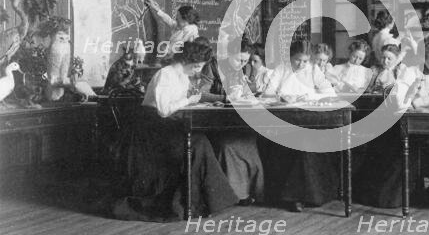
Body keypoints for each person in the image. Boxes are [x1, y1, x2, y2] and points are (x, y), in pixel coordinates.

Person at [112, 42, 237, 221]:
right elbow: (164, 110)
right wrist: (188, 100)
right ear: (191, 62)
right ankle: (194, 203)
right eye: (198, 67)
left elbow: (178, 103)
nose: (198, 71)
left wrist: (193, 101)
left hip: (163, 126)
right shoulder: (166, 74)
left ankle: (198, 202)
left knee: (200, 140)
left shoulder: (183, 76)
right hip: (148, 131)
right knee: (198, 143)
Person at [354, 36, 429, 208]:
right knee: (411, 147)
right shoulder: (410, 71)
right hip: (396, 126)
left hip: (421, 123)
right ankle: (403, 195)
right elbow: (405, 101)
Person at [262, 41, 338, 211]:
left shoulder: (313, 69)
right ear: (290, 57)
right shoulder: (282, 69)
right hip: (284, 121)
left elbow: (330, 93)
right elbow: (267, 94)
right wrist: (281, 98)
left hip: (309, 119)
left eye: (305, 61)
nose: (301, 64)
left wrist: (310, 97)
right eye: (297, 60)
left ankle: (307, 196)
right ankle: (291, 197)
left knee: (306, 144)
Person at [203, 38, 264, 205]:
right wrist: (225, 97)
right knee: (227, 145)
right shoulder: (214, 66)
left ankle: (251, 192)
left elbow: (252, 88)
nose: (242, 64)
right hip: (218, 122)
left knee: (250, 141)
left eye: (245, 60)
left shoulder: (248, 68)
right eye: (238, 59)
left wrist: (249, 91)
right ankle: (234, 194)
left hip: (242, 121)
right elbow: (202, 93)